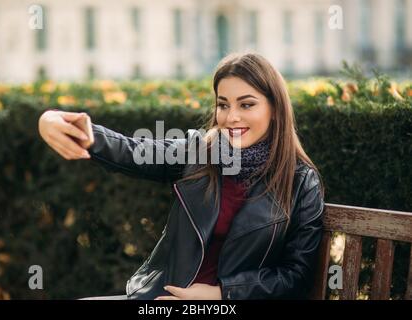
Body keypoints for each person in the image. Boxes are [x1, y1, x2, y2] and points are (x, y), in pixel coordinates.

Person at [38, 52, 325, 300]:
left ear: (275, 109)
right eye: (223, 104)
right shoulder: (201, 154)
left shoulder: (300, 180)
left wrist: (222, 293)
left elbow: (296, 275)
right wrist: (55, 121)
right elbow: (132, 150)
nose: (231, 117)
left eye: (246, 104)